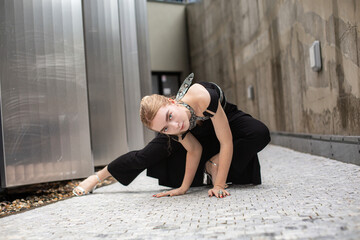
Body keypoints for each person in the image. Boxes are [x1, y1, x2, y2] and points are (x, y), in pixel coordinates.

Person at [73, 73, 270, 198]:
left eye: (169, 116)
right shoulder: (176, 128)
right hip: (195, 132)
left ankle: (211, 164)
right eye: (165, 129)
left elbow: (226, 141)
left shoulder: (201, 98)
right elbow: (194, 150)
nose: (174, 125)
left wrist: (218, 184)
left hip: (223, 118)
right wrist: (183, 188)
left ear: (172, 101)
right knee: (145, 156)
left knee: (259, 133)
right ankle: (97, 177)